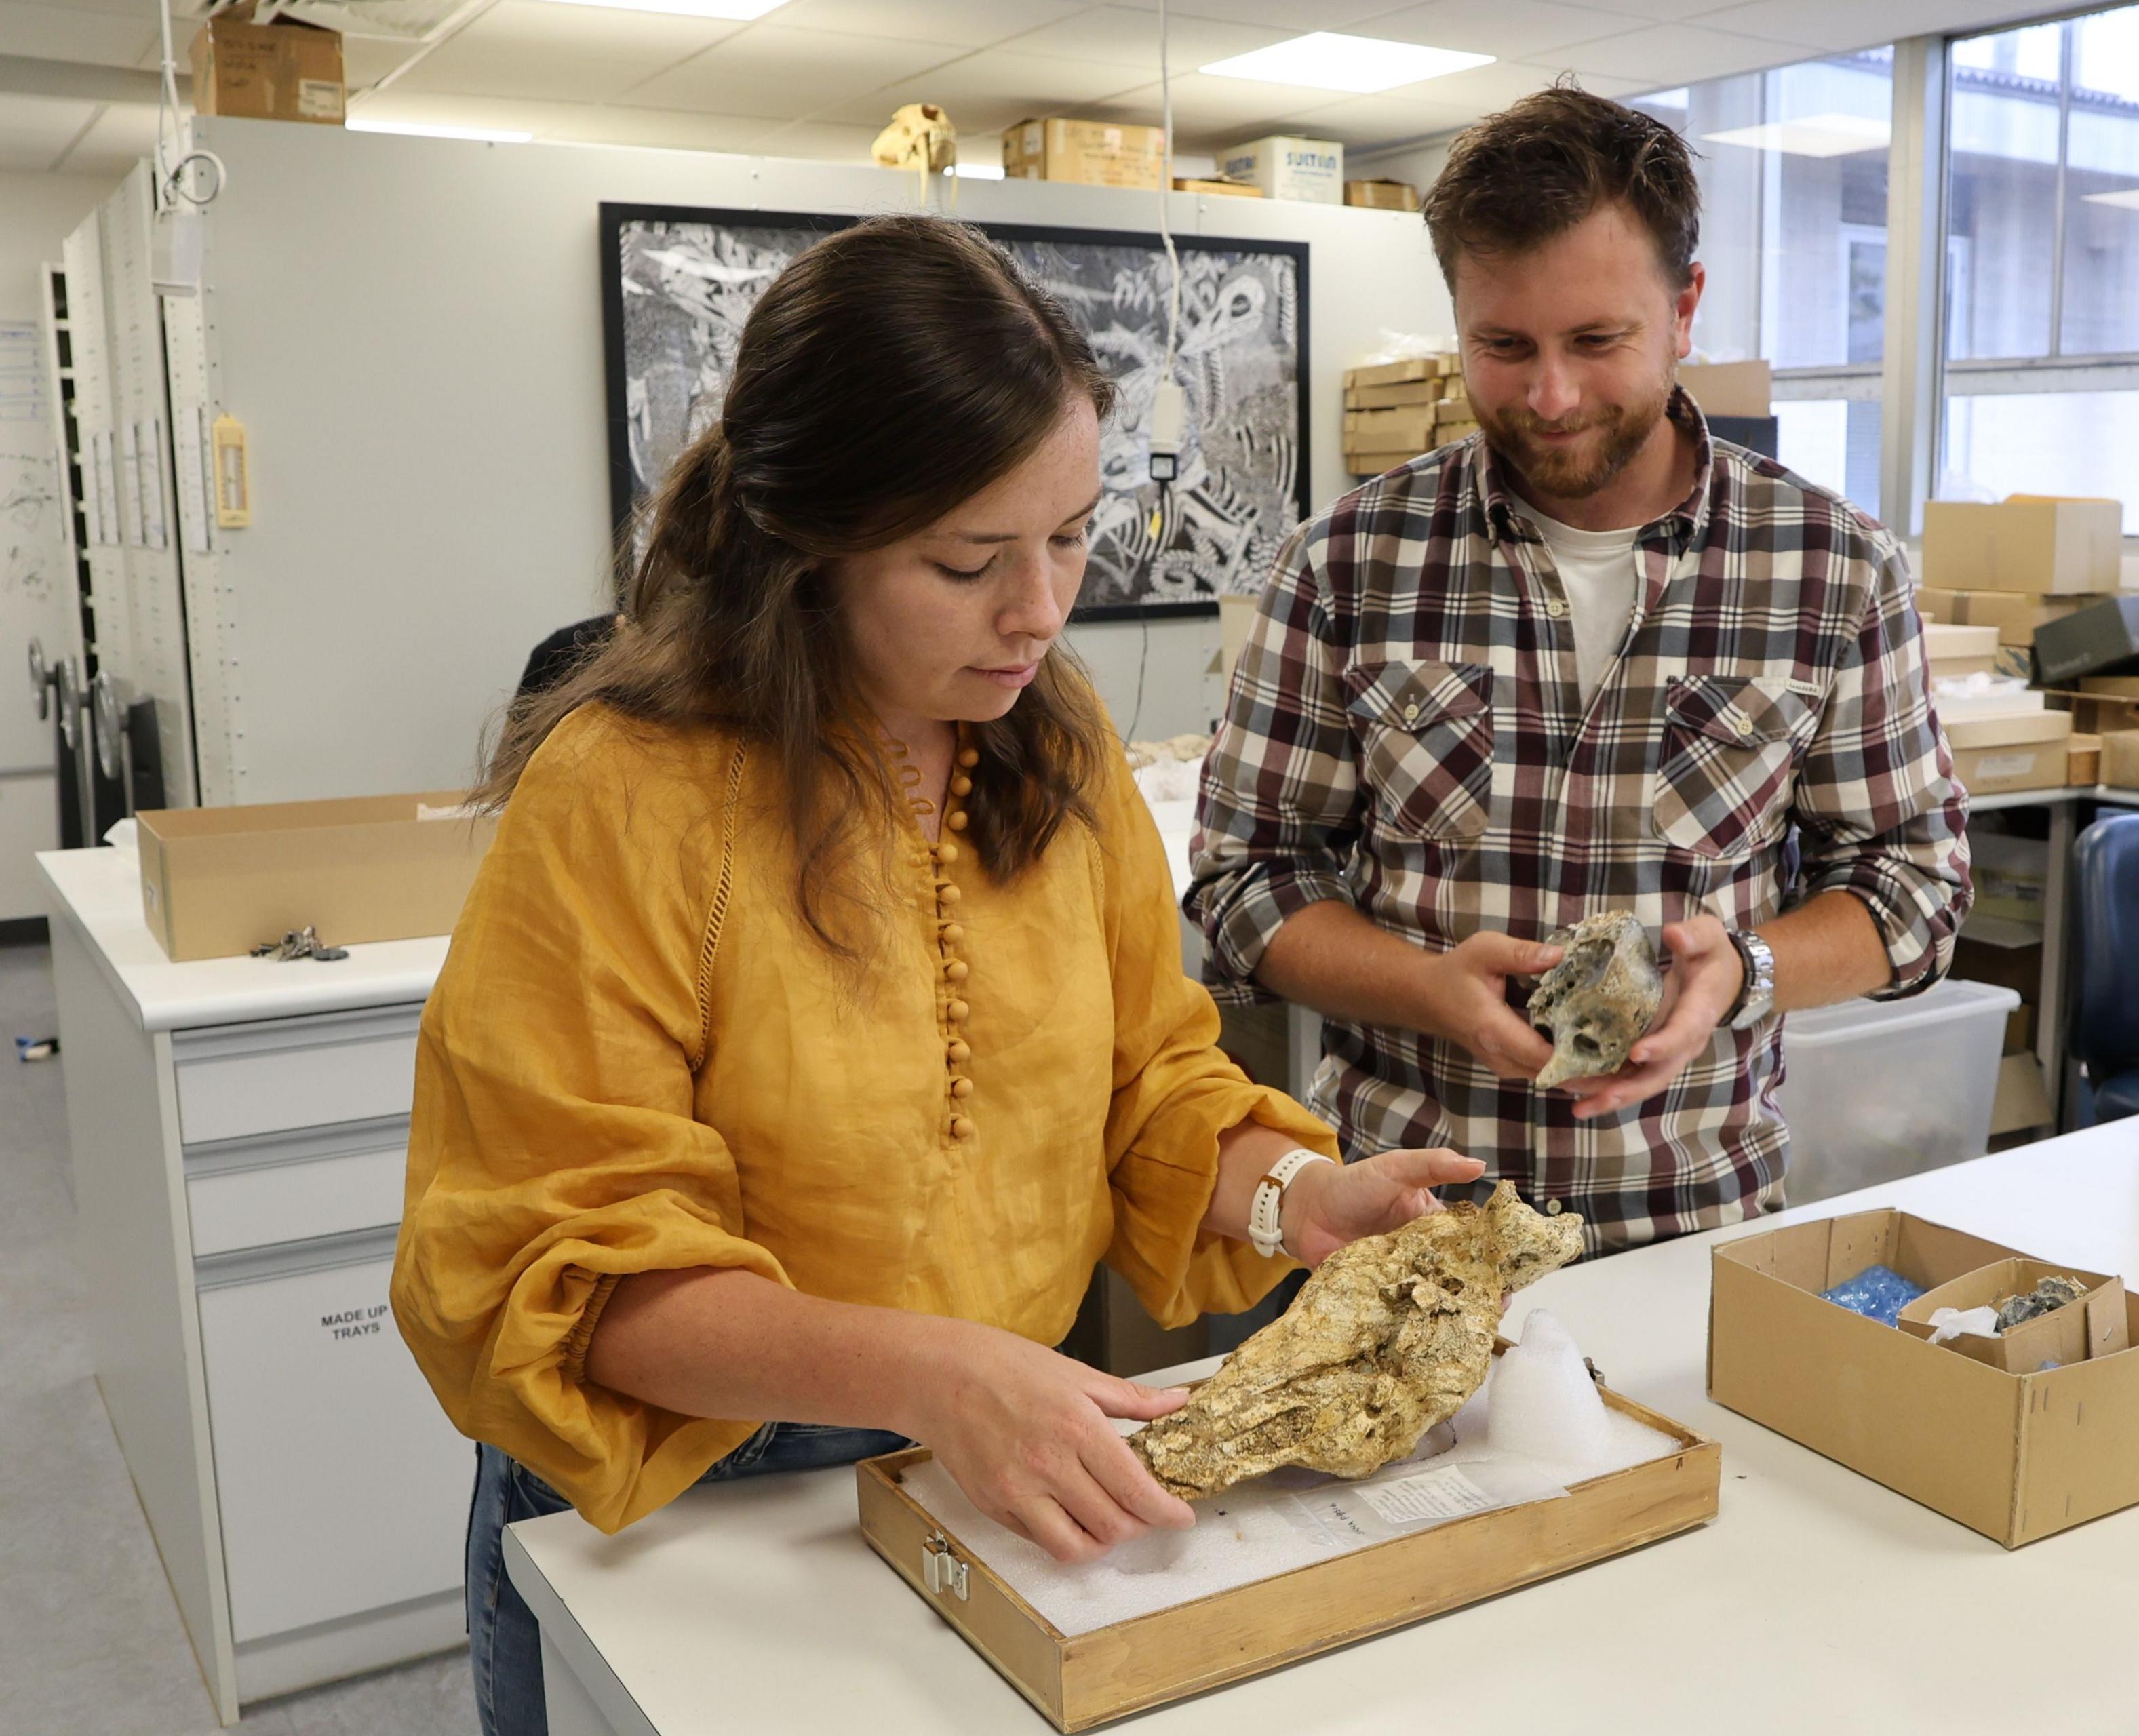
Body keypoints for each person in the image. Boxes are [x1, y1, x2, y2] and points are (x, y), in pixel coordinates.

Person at [393, 214, 1483, 1736]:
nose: (1040, 609)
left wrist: (1295, 1199)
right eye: (968, 560)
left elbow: (1147, 1080)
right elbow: (559, 1270)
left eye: (1073, 535)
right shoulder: (629, 793)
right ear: (806, 544)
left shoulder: (1057, 739)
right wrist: (937, 1372)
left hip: (987, 1464)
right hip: (682, 1501)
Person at [1188, 88, 1973, 1255]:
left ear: (1685, 307)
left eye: (1596, 341)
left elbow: (1915, 886)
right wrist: (1427, 987)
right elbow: (1246, 880)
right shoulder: (1348, 561)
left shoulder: (1835, 570)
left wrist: (1744, 971)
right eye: (1502, 347)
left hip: (1695, 1227)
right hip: (1405, 1231)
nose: (1549, 399)